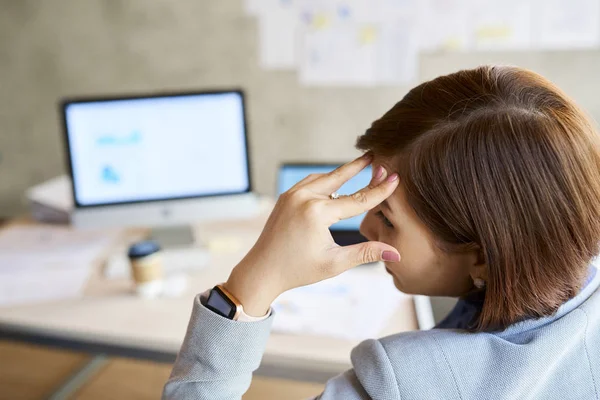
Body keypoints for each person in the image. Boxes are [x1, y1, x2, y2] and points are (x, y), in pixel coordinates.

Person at [162, 65, 600, 399]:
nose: (365, 226)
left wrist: (251, 284)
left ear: (482, 255)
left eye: (386, 217)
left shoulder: (401, 382)